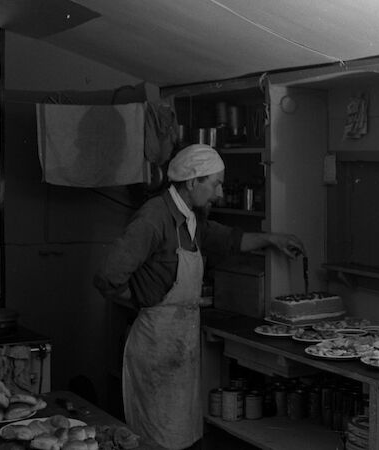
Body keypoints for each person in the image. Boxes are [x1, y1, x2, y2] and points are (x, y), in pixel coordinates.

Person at [94, 144, 304, 449]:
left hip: (180, 348)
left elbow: (229, 239)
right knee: (155, 440)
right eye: (215, 183)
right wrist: (142, 299)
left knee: (181, 436)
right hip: (155, 346)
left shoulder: (191, 218)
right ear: (193, 182)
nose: (219, 193)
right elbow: (108, 275)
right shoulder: (155, 217)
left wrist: (273, 239)